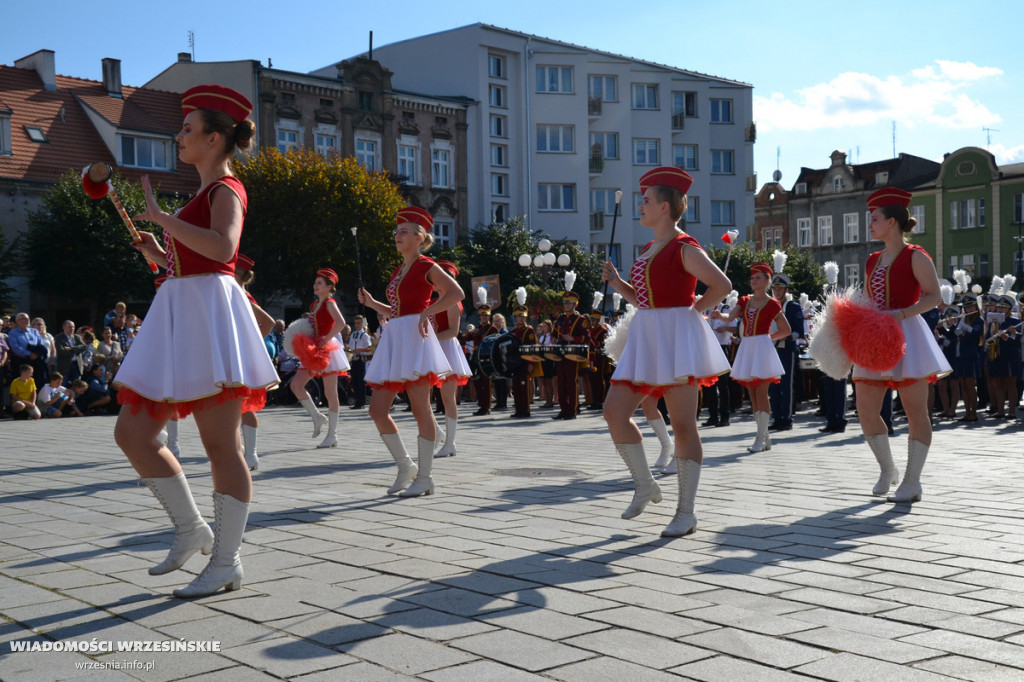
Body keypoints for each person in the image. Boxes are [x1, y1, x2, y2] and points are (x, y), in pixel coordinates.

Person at [112, 84, 278, 598]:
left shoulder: (226, 188)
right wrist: (157, 251)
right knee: (133, 434)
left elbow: (224, 249)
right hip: (184, 311)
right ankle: (191, 529)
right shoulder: (202, 194)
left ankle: (226, 561)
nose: (179, 135)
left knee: (218, 445)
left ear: (214, 137)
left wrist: (162, 219)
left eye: (188, 128)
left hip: (206, 314)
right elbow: (193, 261)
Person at [601, 166, 731, 537]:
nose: (640, 206)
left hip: (675, 337)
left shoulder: (684, 247)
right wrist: (619, 284)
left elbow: (721, 285)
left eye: (646, 200)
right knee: (614, 412)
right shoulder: (648, 248)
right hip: (647, 333)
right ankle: (645, 483)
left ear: (664, 207)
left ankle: (685, 512)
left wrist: (692, 312)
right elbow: (642, 300)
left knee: (684, 424)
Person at [854, 188, 951, 502]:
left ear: (892, 221)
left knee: (915, 411)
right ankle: (888, 469)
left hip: (909, 333)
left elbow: (935, 296)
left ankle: (912, 481)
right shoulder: (872, 260)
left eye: (875, 219)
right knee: (866, 410)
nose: (870, 224)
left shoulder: (915, 255)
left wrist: (902, 314)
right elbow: (869, 299)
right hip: (875, 334)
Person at [358, 206, 463, 497]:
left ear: (420, 237)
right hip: (397, 336)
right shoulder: (400, 269)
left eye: (404, 232)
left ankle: (426, 476)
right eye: (397, 232)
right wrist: (372, 304)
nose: (397, 236)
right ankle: (406, 466)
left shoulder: (426, 264)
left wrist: (426, 313)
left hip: (416, 338)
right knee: (377, 409)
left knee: (421, 408)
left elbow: (456, 293)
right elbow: (395, 310)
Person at [716, 263, 791, 453]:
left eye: (758, 278)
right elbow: (730, 317)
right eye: (752, 278)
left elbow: (786, 330)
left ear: (767, 281)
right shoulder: (744, 300)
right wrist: (719, 315)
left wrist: (767, 339)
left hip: (761, 348)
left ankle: (760, 437)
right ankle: (764, 437)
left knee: (761, 392)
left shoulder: (773, 304)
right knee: (752, 394)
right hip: (748, 347)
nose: (753, 281)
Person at [289, 268, 350, 448]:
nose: (315, 285)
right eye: (315, 282)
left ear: (329, 286)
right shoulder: (314, 305)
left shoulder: (330, 303)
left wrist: (327, 338)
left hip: (327, 349)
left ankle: (332, 434)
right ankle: (316, 416)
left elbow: (341, 323)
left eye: (319, 283)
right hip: (313, 349)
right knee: (296, 385)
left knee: (330, 393)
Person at [235, 254, 276, 468]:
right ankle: (242, 452)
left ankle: (251, 454)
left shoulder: (243, 295)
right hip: (235, 355)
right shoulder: (236, 293)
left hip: (243, 357)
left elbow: (268, 322)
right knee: (235, 406)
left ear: (236, 274)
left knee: (245, 405)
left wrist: (250, 343)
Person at [432, 260, 472, 454]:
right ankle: (438, 432)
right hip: (432, 348)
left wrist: (430, 339)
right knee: (419, 396)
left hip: (446, 349)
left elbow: (453, 331)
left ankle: (450, 443)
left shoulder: (453, 303)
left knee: (448, 399)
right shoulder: (432, 302)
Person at [768, 268, 805, 431]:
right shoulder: (769, 305)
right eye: (775, 289)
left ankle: (787, 418)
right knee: (774, 385)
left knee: (786, 385)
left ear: (786, 290)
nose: (777, 291)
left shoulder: (792, 307)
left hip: (787, 349)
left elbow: (799, 332)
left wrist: (786, 337)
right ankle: (776, 416)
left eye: (780, 289)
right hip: (772, 350)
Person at [552, 287, 590, 420]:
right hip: (560, 353)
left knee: (571, 382)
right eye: (565, 303)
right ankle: (563, 409)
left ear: (575, 304)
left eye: (569, 303)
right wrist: (553, 337)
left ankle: (572, 410)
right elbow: (555, 333)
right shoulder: (560, 318)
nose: (566, 305)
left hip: (573, 354)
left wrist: (573, 339)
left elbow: (587, 337)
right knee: (561, 382)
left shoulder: (580, 320)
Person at [509, 303, 538, 418]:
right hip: (515, 362)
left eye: (522, 316)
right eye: (518, 316)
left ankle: (525, 410)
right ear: (516, 317)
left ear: (526, 317)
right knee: (516, 386)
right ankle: (518, 409)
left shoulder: (528, 330)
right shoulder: (514, 331)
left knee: (523, 385)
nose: (520, 318)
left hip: (524, 361)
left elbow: (532, 347)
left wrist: (531, 363)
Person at [467, 304, 497, 415]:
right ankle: (481, 404)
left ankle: (486, 406)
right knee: (476, 381)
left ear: (489, 316)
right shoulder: (478, 328)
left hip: (486, 358)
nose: (484, 317)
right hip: (476, 357)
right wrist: (471, 333)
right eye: (482, 315)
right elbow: (468, 340)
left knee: (486, 382)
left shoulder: (492, 328)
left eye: (486, 315)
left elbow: (492, 343)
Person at [8, 313, 49, 384]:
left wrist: (37, 354)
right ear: (17, 321)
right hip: (21, 361)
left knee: (37, 383)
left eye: (27, 319)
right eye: (23, 319)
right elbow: (15, 348)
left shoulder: (34, 331)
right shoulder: (13, 333)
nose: (26, 321)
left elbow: (41, 344)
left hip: (36, 361)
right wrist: (29, 354)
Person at [346, 315, 373, 409]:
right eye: (356, 323)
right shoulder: (353, 334)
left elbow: (370, 348)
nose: (357, 325)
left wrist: (360, 349)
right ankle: (357, 400)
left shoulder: (364, 335)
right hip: (354, 358)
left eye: (359, 323)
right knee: (354, 381)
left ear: (362, 324)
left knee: (360, 381)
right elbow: (351, 346)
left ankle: (361, 402)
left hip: (361, 358)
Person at [55, 320, 88, 385]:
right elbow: (61, 351)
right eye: (70, 327)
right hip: (65, 366)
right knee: (63, 385)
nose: (72, 329)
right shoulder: (59, 337)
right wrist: (76, 351)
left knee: (77, 385)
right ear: (63, 327)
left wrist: (71, 348)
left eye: (73, 327)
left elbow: (84, 347)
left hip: (76, 365)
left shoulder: (77, 337)